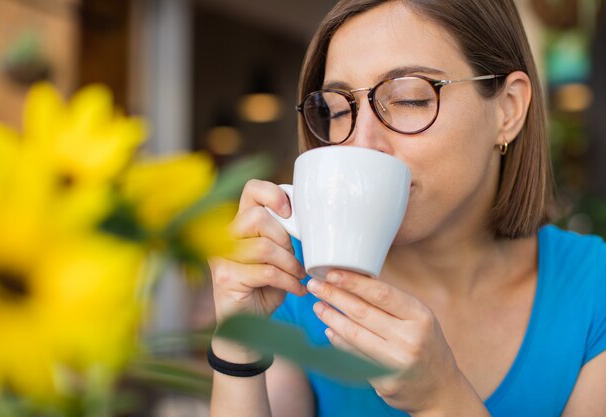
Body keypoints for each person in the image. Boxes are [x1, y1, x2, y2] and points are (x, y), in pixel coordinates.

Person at [207, 0, 606, 416]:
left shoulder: (593, 291)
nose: (362, 143)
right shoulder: (291, 281)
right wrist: (239, 344)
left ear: (508, 109)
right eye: (339, 110)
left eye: (410, 99)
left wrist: (443, 399)